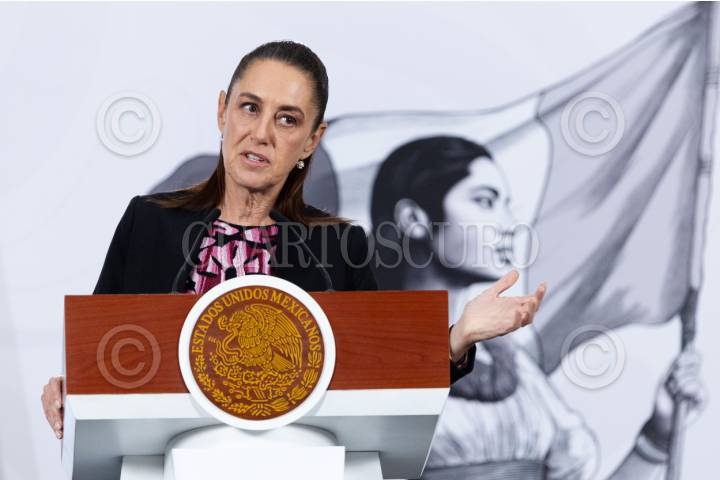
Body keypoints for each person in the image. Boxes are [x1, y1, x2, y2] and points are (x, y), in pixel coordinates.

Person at [41, 41, 547, 440]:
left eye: (287, 119)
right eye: (249, 108)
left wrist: (459, 336)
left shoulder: (340, 247)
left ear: (311, 140)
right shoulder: (148, 222)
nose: (261, 133)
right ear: (222, 112)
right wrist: (70, 389)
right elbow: (103, 355)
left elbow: (384, 381)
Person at [369, 135, 706, 479]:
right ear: (414, 218)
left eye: (507, 205)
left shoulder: (510, 363)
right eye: (485, 201)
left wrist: (657, 437)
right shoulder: (363, 353)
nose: (508, 225)